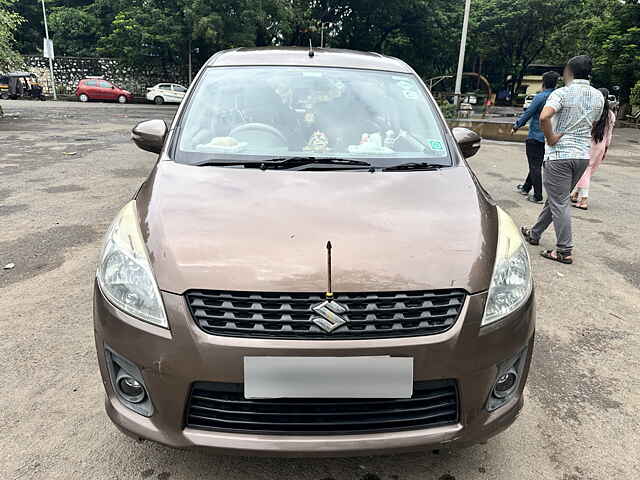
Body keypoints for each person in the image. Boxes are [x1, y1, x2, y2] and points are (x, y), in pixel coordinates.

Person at [520, 55, 604, 265]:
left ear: (569, 71)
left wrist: (550, 137)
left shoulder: (562, 93)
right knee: (557, 199)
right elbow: (593, 124)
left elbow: (544, 117)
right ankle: (535, 233)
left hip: (560, 155)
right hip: (581, 156)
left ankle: (564, 250)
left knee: (560, 202)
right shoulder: (598, 97)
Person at [513, 71, 560, 204]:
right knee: (536, 163)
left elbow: (529, 113)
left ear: (543, 82)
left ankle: (537, 195)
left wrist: (517, 125)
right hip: (550, 137)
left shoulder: (541, 97)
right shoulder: (558, 97)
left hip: (536, 136)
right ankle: (526, 187)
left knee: (535, 165)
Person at [571, 88, 616, 210]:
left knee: (584, 170)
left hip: (588, 143)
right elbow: (610, 134)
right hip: (600, 146)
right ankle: (576, 194)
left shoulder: (592, 111)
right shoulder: (611, 115)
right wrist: (606, 148)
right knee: (588, 171)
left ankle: (584, 199)